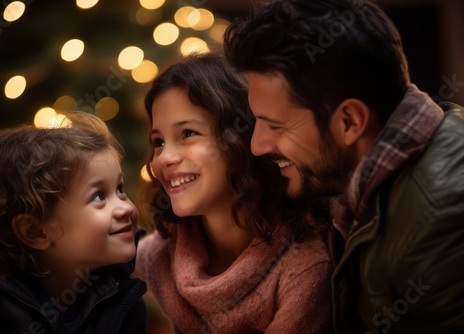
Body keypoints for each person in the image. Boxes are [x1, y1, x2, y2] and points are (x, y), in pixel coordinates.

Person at [223, 0, 464, 333]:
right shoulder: (360, 182)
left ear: (350, 121)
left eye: (274, 125)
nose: (257, 145)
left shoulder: (441, 224)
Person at [134, 52, 333, 333]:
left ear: (241, 138)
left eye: (188, 133)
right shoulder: (156, 254)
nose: (164, 158)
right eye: (158, 141)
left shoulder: (303, 267)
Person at [0, 111, 147, 333]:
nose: (126, 207)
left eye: (119, 189)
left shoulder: (124, 300)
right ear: (36, 232)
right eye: (99, 196)